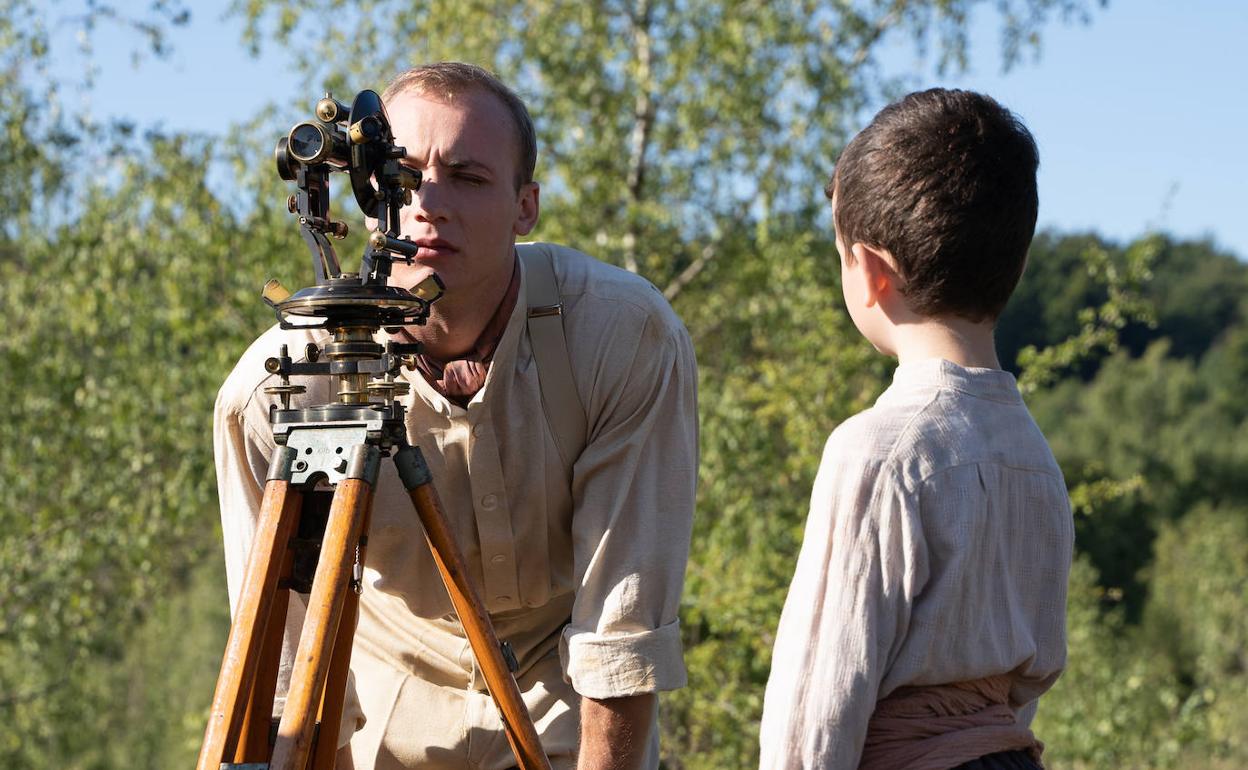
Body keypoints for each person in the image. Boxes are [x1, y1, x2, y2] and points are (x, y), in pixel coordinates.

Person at [214, 62, 698, 770]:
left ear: (525, 206)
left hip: (563, 696)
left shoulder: (619, 334)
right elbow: (283, 668)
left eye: (467, 178)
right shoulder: (281, 389)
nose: (428, 202)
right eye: (401, 176)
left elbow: (622, 629)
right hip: (380, 701)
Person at [758, 88, 1074, 770]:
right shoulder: (1034, 457)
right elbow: (1023, 685)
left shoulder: (879, 450)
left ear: (870, 272)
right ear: (1016, 263)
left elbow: (817, 702)